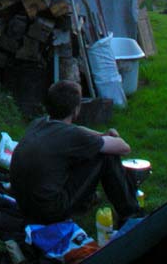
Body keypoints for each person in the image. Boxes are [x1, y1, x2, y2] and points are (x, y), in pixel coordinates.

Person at [10, 80, 140, 226]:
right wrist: (112, 135)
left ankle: (88, 200)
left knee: (86, 152)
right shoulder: (71, 136)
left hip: (24, 206)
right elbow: (124, 148)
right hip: (49, 211)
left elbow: (77, 131)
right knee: (106, 155)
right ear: (76, 110)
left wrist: (101, 135)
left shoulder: (38, 123)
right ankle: (130, 213)